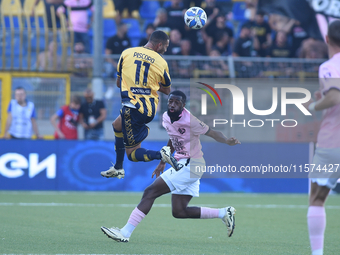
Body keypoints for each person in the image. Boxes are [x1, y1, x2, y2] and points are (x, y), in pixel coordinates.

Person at [100, 90, 240, 242]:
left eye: (177, 102)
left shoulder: (190, 121)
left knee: (150, 192)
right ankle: (223, 213)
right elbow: (173, 138)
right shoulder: (166, 116)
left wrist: (227, 140)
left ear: (183, 105)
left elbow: (212, 133)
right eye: (170, 101)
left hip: (192, 164)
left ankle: (125, 233)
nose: (172, 105)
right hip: (184, 164)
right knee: (179, 211)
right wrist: (162, 162)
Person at [100, 30, 180, 180]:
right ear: (159, 45)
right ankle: (118, 167)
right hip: (149, 108)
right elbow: (167, 89)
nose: (166, 50)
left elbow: (118, 83)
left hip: (133, 108)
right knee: (117, 125)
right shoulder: (161, 61)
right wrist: (151, 85)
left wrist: (132, 84)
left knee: (132, 154)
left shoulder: (127, 53)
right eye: (166, 47)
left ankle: (161, 154)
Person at [305, 20, 340, 255]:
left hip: (333, 141)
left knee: (317, 199)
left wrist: (315, 104)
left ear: (327, 39)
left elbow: (335, 97)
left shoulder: (329, 66)